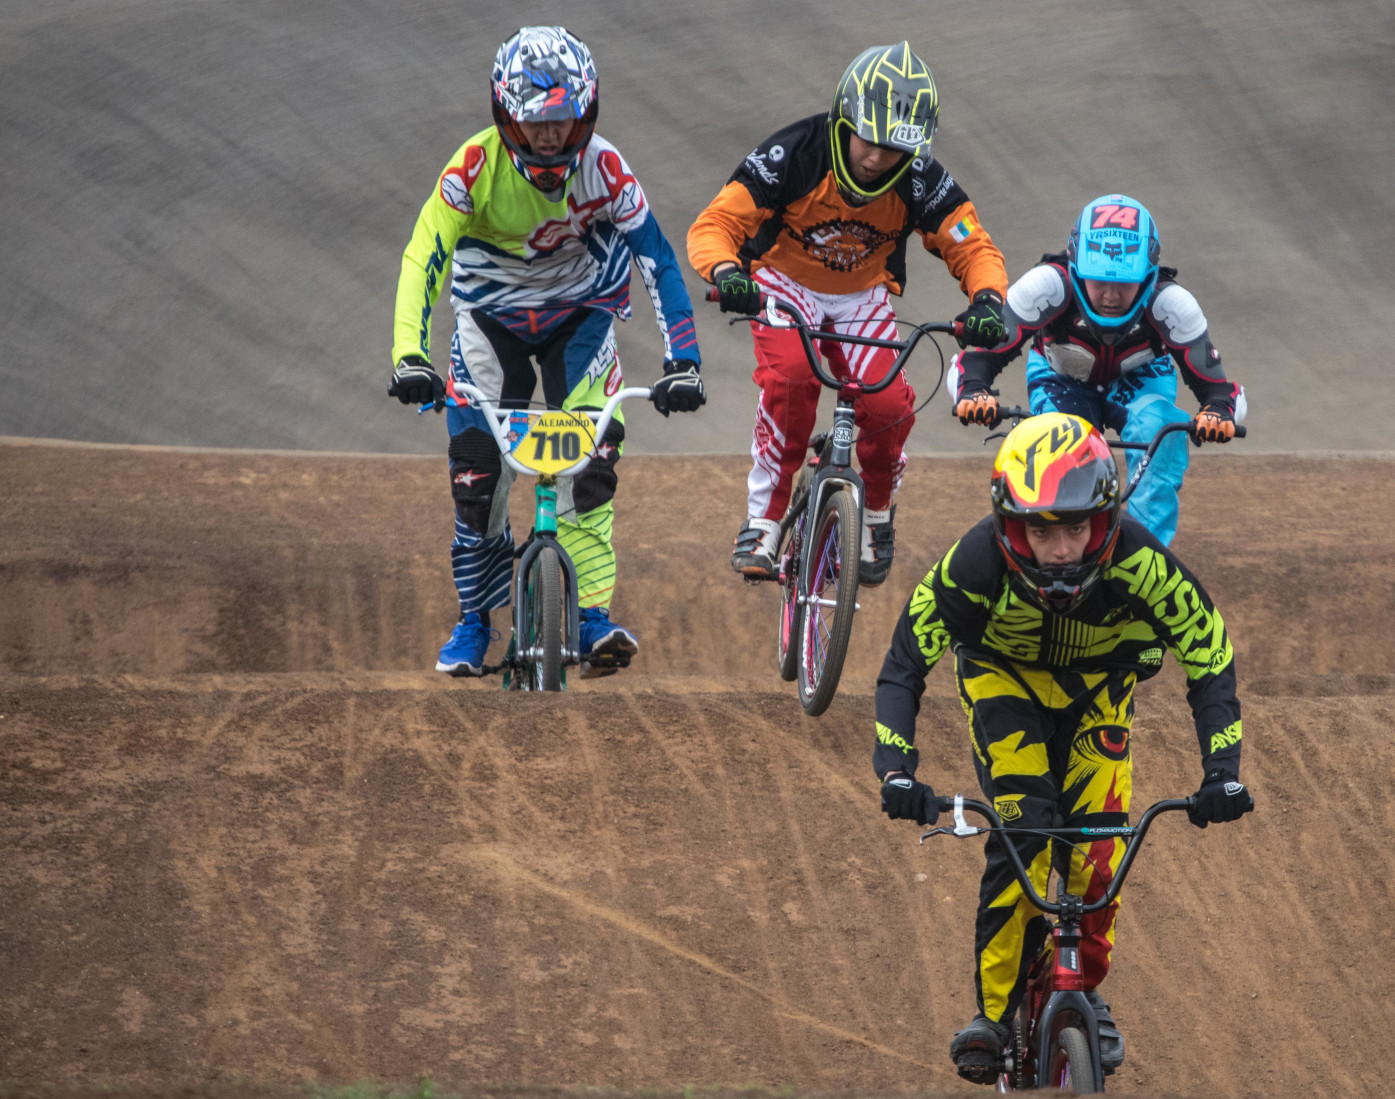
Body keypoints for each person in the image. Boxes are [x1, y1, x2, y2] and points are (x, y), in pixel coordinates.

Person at [871, 412, 1252, 1083]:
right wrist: (897, 769)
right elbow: (905, 661)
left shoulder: (1141, 562)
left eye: (1076, 526)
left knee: (1100, 854)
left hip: (1097, 690)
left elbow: (1209, 652)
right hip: (1003, 681)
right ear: (1009, 524)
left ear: (1103, 520)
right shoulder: (973, 566)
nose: (1062, 548)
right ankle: (992, 1014)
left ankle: (1084, 988)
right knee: (1027, 830)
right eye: (1042, 528)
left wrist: (1222, 772)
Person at [387, 26, 705, 677]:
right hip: (489, 323)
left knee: (592, 465)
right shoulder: (472, 168)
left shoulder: (607, 168)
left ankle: (588, 617)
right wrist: (408, 354)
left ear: (585, 112)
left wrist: (685, 360)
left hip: (581, 320)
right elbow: (424, 255)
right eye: (536, 122)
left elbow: (658, 259)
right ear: (507, 115)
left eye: (563, 119)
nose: (551, 136)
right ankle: (475, 619)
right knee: (478, 476)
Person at [687, 40, 1010, 586]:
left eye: (894, 148)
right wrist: (726, 273)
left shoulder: (920, 178)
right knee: (789, 380)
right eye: (869, 139)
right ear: (844, 118)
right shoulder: (794, 153)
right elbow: (714, 224)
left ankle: (877, 513)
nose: (878, 157)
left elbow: (972, 245)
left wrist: (988, 300)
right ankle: (764, 519)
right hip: (781, 285)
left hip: (862, 294)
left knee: (887, 404)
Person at [949, 195, 1243, 546]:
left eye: (1124, 282)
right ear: (1075, 268)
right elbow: (977, 361)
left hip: (1143, 381)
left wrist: (1216, 413)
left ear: (1149, 277)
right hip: (1060, 379)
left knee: (1161, 429)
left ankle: (1146, 553)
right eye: (1098, 280)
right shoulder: (1045, 286)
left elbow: (1221, 391)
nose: (1110, 295)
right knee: (1059, 448)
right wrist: (974, 392)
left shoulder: (1173, 305)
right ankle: (1066, 552)